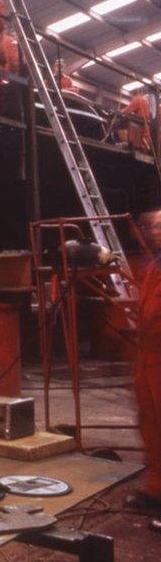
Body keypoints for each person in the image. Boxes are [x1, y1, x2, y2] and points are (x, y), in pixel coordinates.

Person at [127, 208, 161, 519]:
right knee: (150, 425)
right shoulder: (153, 267)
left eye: (159, 226)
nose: (153, 232)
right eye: (149, 226)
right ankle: (156, 488)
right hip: (149, 360)